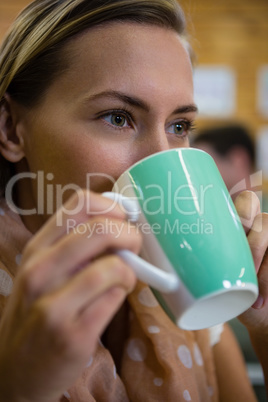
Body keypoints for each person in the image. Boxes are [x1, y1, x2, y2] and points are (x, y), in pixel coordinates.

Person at [0, 1, 267, 400]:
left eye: (179, 126)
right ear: (11, 129)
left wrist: (264, 324)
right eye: (118, 117)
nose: (162, 158)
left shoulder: (185, 295)